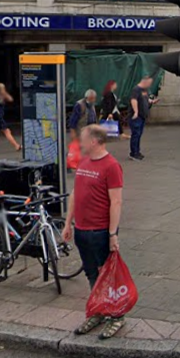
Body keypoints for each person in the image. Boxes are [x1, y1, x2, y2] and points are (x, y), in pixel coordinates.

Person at [61, 124, 126, 340]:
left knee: (108, 276)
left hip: (100, 231)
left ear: (94, 141)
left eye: (83, 138)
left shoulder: (111, 166)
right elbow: (75, 193)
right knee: (91, 273)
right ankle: (98, 310)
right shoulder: (84, 161)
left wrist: (112, 234)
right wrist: (68, 223)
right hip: (81, 229)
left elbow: (116, 202)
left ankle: (117, 316)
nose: (79, 142)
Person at [128, 75, 156, 161]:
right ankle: (133, 153)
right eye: (149, 83)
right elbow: (133, 100)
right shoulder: (136, 89)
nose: (149, 85)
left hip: (142, 116)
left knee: (139, 134)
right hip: (137, 117)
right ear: (145, 81)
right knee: (136, 134)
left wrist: (152, 101)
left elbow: (145, 100)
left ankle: (137, 151)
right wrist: (136, 112)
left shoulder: (144, 91)